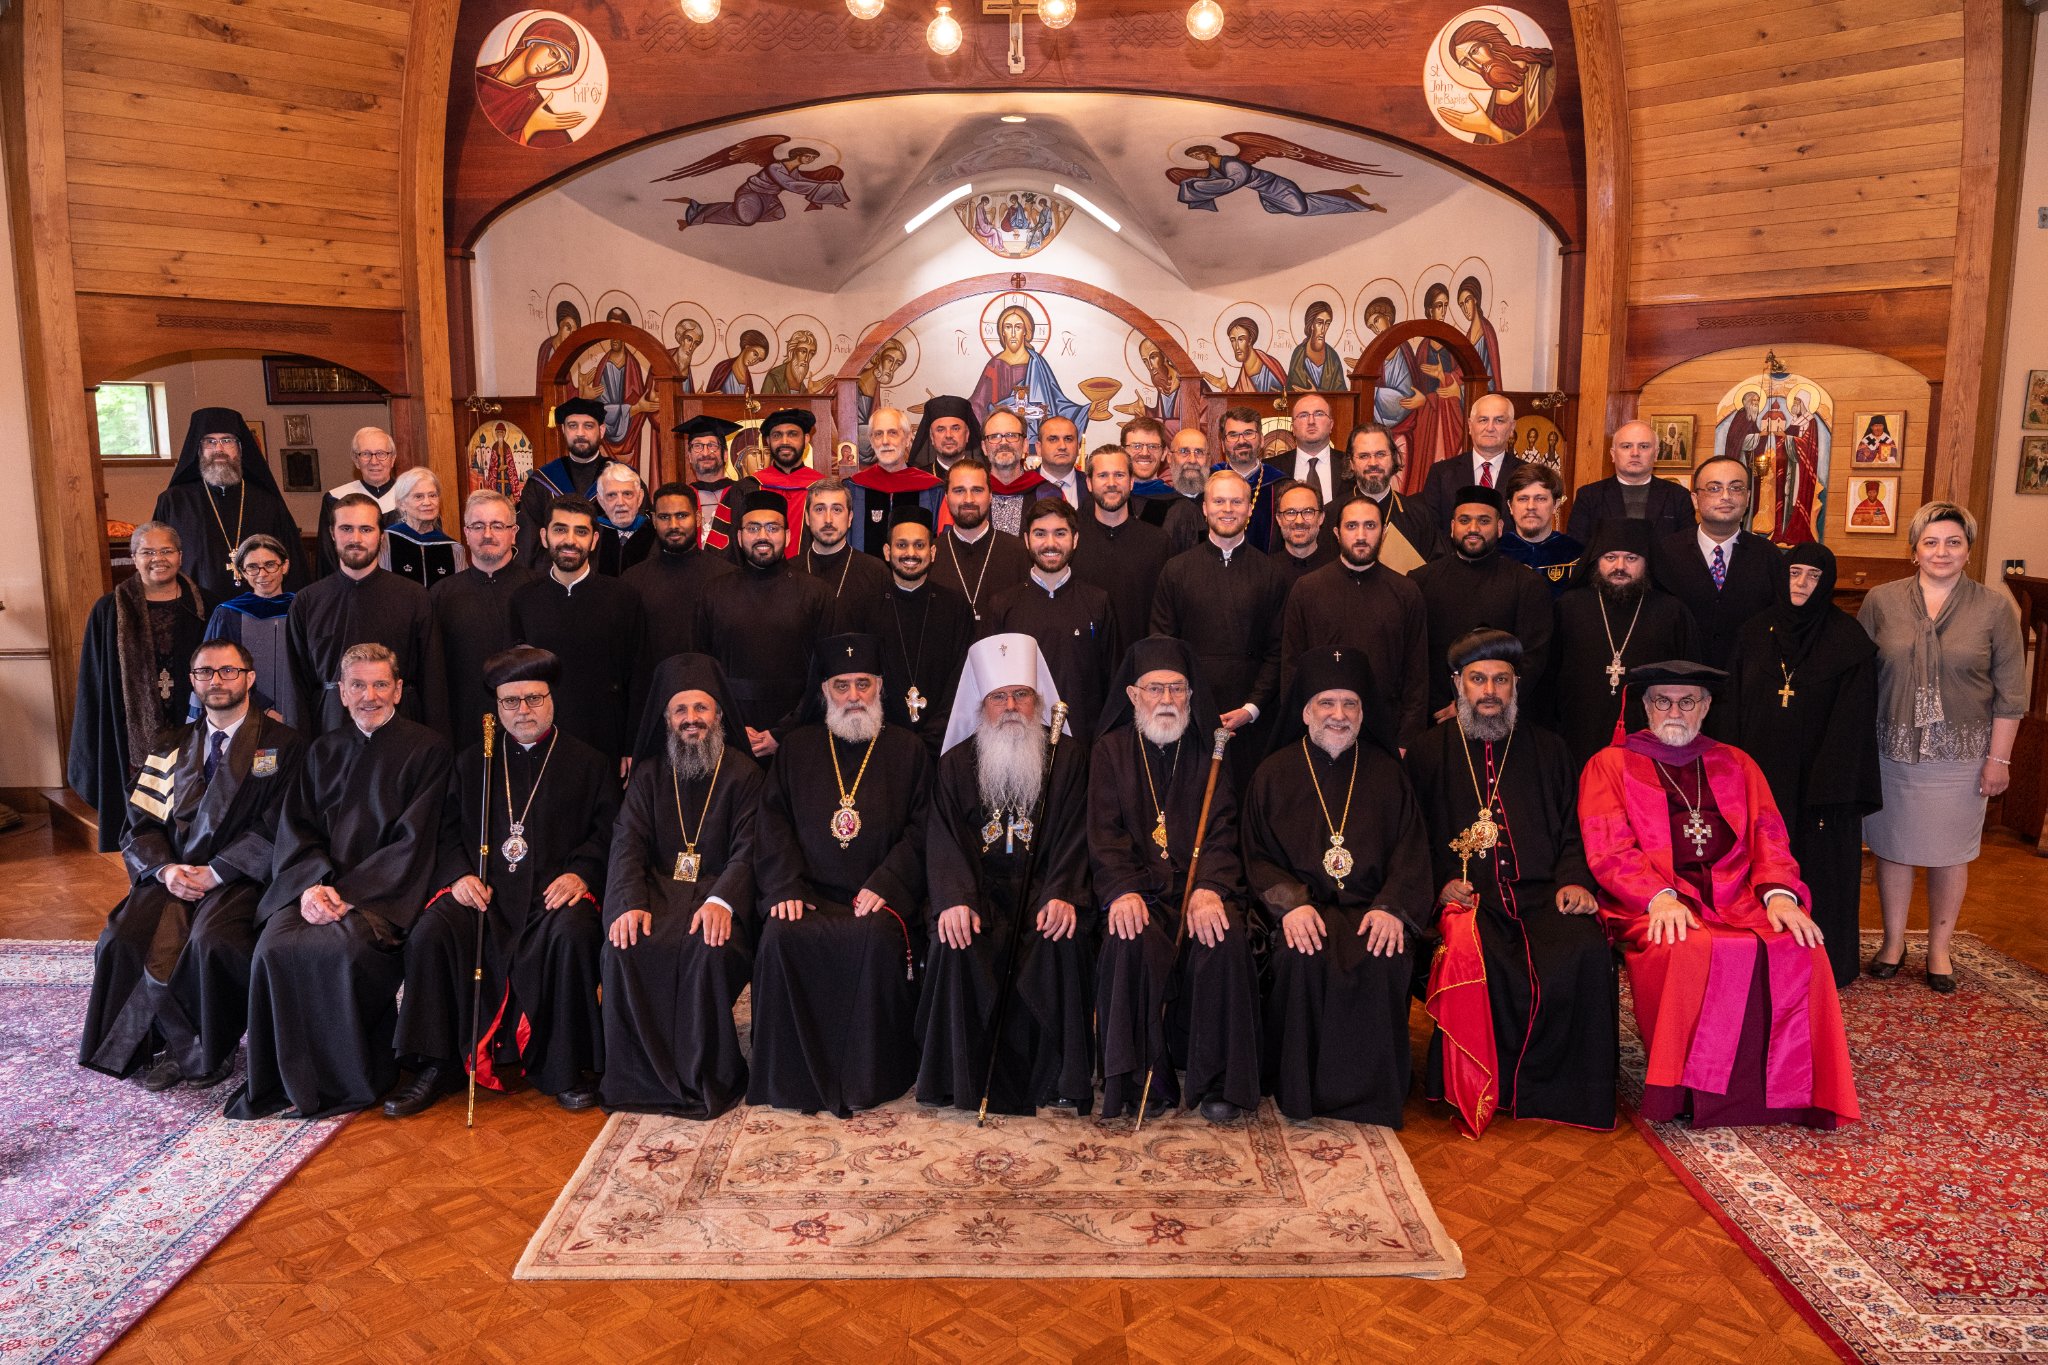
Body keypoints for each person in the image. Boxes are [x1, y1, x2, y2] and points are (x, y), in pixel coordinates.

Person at [1579, 660, 1859, 1128]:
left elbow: (1769, 835)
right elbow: (1608, 847)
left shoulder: (1735, 762)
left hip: (1738, 896)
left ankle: (1793, 1093)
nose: (1675, 711)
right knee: (1690, 947)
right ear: (1645, 707)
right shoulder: (1610, 764)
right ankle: (1691, 1093)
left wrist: (1780, 894)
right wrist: (1658, 896)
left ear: (1706, 707)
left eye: (1687, 701)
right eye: (1662, 701)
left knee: (1800, 945)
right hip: (1653, 901)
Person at [386, 646, 615, 1117]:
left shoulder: (588, 762)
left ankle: (567, 1067)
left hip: (552, 897)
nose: (523, 710)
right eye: (511, 701)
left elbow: (607, 833)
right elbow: (444, 831)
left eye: (533, 698)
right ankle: (436, 1063)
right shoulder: (474, 763)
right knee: (431, 931)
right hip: (483, 895)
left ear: (552, 699)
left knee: (572, 935)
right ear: (496, 707)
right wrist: (459, 875)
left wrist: (581, 873)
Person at [230, 644, 454, 1120]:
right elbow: (298, 828)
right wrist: (311, 886)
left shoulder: (428, 749)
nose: (369, 695)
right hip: (316, 888)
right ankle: (282, 1080)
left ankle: (353, 1079)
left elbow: (416, 840)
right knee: (273, 948)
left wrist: (349, 895)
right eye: (357, 685)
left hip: (380, 895)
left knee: (335, 951)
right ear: (342, 693)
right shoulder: (323, 750)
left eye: (379, 684)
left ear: (397, 689)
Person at [1407, 629, 1615, 1137]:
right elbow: (1409, 837)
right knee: (1474, 954)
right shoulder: (1429, 752)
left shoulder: (1548, 749)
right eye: (1478, 679)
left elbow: (1573, 827)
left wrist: (1574, 880)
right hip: (1470, 900)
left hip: (1541, 897)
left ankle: (1562, 1092)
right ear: (1458, 684)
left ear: (1516, 685)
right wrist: (1439, 885)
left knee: (1585, 949)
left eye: (1501, 679)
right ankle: (1476, 1088)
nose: (1490, 691)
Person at [79, 639, 304, 1089]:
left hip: (241, 879)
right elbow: (140, 822)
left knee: (211, 941)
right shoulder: (170, 744)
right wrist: (165, 871)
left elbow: (282, 822)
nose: (217, 681)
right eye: (206, 673)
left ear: (249, 677)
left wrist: (218, 870)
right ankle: (152, 1042)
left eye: (228, 671)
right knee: (122, 936)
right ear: (193, 681)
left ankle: (205, 1050)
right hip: (173, 875)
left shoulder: (285, 744)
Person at [1246, 646, 1433, 1125]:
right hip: (1304, 909)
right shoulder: (1273, 774)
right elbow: (1258, 856)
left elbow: (1412, 852)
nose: (1339, 715)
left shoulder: (1388, 773)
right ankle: (1299, 1091)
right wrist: (1290, 905)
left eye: (1350, 704)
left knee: (1383, 953)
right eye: (1327, 703)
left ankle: (1372, 1096)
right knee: (1300, 955)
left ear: (1363, 713)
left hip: (1371, 908)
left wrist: (1393, 907)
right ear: (1306, 711)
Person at [747, 634, 931, 1116]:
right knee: (780, 935)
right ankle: (789, 1078)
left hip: (876, 896)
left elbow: (923, 829)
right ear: (825, 690)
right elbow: (772, 823)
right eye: (842, 685)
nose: (853, 696)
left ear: (880, 688)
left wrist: (887, 885)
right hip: (808, 893)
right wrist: (785, 886)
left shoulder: (908, 751)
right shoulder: (797, 749)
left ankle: (871, 1077)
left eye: (863, 684)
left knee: (873, 937)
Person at [916, 634, 1092, 1115]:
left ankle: (1057, 1077)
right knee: (957, 937)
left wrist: (1062, 892)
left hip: (1044, 892)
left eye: (1021, 695)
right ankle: (962, 1076)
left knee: (1063, 934)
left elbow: (1078, 833)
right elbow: (944, 837)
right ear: (981, 702)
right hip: (979, 895)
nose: (1011, 706)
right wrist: (954, 898)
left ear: (1039, 701)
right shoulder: (955, 765)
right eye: (999, 697)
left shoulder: (1069, 760)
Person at [1089, 637, 1261, 1122]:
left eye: (1178, 689)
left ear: (1191, 694)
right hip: (1138, 890)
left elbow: (1224, 829)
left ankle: (1219, 1083)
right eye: (1155, 689)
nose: (1167, 700)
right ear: (1132, 695)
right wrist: (1122, 890)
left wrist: (1210, 888)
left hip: (1197, 888)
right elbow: (1103, 832)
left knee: (1222, 936)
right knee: (1129, 936)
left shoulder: (1212, 750)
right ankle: (1143, 1079)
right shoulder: (1109, 751)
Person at [1857, 503, 2024, 992]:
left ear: (1968, 550)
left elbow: (2011, 693)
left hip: (1963, 754)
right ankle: (1892, 943)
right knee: (1892, 848)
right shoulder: (1881, 602)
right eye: (1930, 542)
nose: (1941, 551)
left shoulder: (1995, 608)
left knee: (1951, 853)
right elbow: (1859, 679)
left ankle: (1939, 949)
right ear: (1913, 551)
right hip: (1891, 748)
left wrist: (1999, 759)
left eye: (1953, 542)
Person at [601, 654, 764, 1117]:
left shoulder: (745, 775)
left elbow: (750, 849)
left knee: (707, 949)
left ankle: (705, 1078)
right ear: (667, 719)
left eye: (701, 708)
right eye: (681, 710)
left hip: (717, 898)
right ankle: (639, 1081)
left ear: (719, 715)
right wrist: (629, 902)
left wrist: (723, 901)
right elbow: (627, 842)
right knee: (622, 946)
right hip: (655, 894)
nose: (692, 719)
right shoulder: (649, 775)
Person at [1719, 544, 1880, 988]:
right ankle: (1758, 956)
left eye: (1813, 575)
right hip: (1758, 776)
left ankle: (1824, 963)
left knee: (1819, 867)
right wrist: (1729, 770)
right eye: (1794, 573)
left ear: (1826, 582)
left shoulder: (1849, 642)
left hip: (1822, 786)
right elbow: (1731, 706)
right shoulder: (1753, 633)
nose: (1802, 583)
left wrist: (1828, 789)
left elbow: (1854, 723)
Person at [71, 523, 214, 851]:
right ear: (133, 558)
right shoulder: (108, 610)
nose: (157, 559)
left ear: (180, 557)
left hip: (192, 724)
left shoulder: (206, 605)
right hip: (130, 731)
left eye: (166, 551)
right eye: (147, 552)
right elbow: (94, 681)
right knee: (142, 828)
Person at [1150, 469, 1288, 785]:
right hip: (1190, 716)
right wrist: (1190, 703)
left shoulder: (1269, 574)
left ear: (1249, 509)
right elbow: (1163, 645)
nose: (1227, 509)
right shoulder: (1176, 571)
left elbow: (1279, 649)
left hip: (1252, 720)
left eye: (1236, 501)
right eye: (1220, 501)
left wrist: (1251, 708)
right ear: (1205, 508)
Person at [285, 492, 443, 736]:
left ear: (381, 536)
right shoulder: (307, 601)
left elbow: (433, 679)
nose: (355, 538)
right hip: (330, 730)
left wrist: (436, 743)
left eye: (366, 529)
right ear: (332, 533)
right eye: (346, 528)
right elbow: (296, 686)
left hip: (403, 731)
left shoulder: (414, 597)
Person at [1279, 494, 1430, 747]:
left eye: (1370, 526)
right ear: (1337, 533)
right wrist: (1298, 731)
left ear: (1383, 532)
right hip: (1321, 730)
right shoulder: (1307, 589)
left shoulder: (1406, 591)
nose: (1361, 535)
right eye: (1352, 526)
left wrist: (1407, 740)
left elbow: (1417, 675)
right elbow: (1292, 668)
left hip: (1386, 731)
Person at [1547, 519, 1701, 767]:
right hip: (1577, 734)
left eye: (1631, 558)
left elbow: (1690, 684)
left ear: (1646, 563)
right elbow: (1549, 675)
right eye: (1610, 557)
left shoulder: (1672, 613)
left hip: (1649, 739)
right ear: (1596, 561)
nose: (1620, 567)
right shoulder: (1568, 607)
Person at [694, 490, 835, 756]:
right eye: (753, 528)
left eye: (772, 528)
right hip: (729, 734)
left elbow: (826, 673)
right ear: (739, 536)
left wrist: (782, 733)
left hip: (799, 735)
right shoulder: (713, 592)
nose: (762, 536)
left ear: (789, 536)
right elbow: (704, 667)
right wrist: (731, 725)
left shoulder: (817, 593)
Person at [508, 496, 642, 767]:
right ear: (544, 536)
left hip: (606, 737)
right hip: (543, 736)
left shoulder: (623, 598)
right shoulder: (523, 600)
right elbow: (514, 681)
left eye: (580, 531)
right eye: (560, 529)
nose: (570, 540)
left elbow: (638, 675)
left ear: (594, 540)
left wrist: (631, 746)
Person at [839, 505, 975, 756]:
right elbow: (858, 681)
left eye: (919, 545)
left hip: (945, 745)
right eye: (901, 545)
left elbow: (964, 680)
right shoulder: (863, 608)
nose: (910, 553)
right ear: (887, 552)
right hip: (881, 745)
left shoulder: (956, 607)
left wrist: (935, 736)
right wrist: (893, 738)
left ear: (932, 552)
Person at [982, 497, 1122, 743]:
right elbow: (989, 687)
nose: (1050, 543)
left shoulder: (1099, 602)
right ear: (1026, 540)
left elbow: (1113, 682)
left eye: (1060, 533)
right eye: (1040, 534)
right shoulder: (1002, 606)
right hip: (1019, 743)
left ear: (1075, 539)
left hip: (1084, 744)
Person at [1410, 485, 1554, 720]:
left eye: (1484, 521)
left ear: (1499, 528)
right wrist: (1443, 708)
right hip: (1436, 716)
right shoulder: (1420, 581)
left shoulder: (1527, 583)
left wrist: (1476, 704)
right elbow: (1415, 657)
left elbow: (1533, 658)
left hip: (1502, 715)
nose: (1473, 529)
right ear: (1452, 526)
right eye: (1465, 520)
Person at [151, 407, 307, 598]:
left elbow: (292, 564)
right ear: (198, 450)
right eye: (210, 441)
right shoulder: (173, 502)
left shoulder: (267, 502)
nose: (219, 449)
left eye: (227, 440)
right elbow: (157, 560)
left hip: (258, 609)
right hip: (194, 611)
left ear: (240, 449)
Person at [1651, 455, 1782, 668]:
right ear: (1695, 499)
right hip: (1679, 684)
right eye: (1714, 488)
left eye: (1736, 488)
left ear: (1748, 498)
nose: (1725, 497)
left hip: (1746, 680)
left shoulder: (1768, 556)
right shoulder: (1665, 553)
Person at [623, 481, 735, 719]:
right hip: (651, 705)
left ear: (696, 517)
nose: (673, 525)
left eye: (681, 515)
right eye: (664, 517)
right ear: (653, 520)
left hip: (712, 706)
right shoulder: (633, 581)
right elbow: (629, 662)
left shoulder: (727, 576)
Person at [432, 491, 534, 752]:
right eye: (478, 526)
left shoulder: (539, 590)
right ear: (466, 532)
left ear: (514, 532)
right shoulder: (441, 594)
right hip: (463, 724)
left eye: (497, 525)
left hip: (526, 722)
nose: (487, 534)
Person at [1070, 445, 1171, 652]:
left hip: (1139, 659)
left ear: (1131, 481)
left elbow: (1166, 612)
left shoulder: (1157, 542)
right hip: (1083, 658)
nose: (1111, 484)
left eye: (1119, 475)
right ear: (1089, 483)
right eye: (1103, 475)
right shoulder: (1072, 541)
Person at [196, 534, 294, 721]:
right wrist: (263, 709)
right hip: (243, 714)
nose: (262, 574)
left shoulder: (302, 610)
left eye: (270, 565)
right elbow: (217, 670)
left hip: (298, 714)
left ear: (285, 566)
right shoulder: (228, 614)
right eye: (252, 567)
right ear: (242, 571)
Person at [929, 454, 1032, 624]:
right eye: (959, 490)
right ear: (946, 498)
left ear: (991, 495)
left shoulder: (1019, 552)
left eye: (977, 490)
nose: (968, 499)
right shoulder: (931, 553)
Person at [517, 397, 619, 567]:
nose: (580, 433)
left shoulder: (622, 480)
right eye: (573, 426)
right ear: (563, 430)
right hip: (553, 578)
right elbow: (528, 542)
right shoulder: (542, 481)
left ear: (601, 430)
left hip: (609, 576)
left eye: (588, 425)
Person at [1332, 422, 1446, 569]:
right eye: (1364, 456)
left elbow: (1435, 571)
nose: (1373, 463)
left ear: (1393, 458)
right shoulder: (1332, 513)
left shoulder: (1419, 515)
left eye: (1380, 454)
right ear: (1351, 463)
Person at [1418, 393, 1531, 534]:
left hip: (1510, 555)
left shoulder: (1528, 475)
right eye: (1483, 420)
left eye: (1499, 421)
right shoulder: (1441, 473)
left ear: (1512, 427)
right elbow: (1431, 530)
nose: (1490, 428)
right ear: (1470, 426)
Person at [1567, 420, 1695, 542]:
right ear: (1613, 454)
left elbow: (1686, 550)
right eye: (1627, 446)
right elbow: (1577, 550)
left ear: (1656, 454)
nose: (1635, 453)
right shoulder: (1589, 496)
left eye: (1644, 446)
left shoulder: (1678, 496)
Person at [846, 406, 943, 556]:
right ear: (871, 441)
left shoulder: (932, 489)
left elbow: (939, 541)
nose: (885, 441)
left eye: (893, 433)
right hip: (864, 577)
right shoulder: (853, 487)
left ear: (907, 437)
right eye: (878, 434)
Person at [796, 477, 890, 624]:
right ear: (807, 517)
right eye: (819, 509)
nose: (828, 520)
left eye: (837, 509)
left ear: (850, 518)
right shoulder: (789, 571)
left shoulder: (876, 572)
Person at [315, 427, 401, 580]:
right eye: (365, 454)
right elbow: (327, 556)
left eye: (381, 454)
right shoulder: (335, 499)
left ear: (393, 459)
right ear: (356, 460)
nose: (374, 461)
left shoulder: (413, 499)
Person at [729, 409, 823, 548]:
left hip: (812, 569)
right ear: (768, 441)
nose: (784, 441)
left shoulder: (824, 488)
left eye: (792, 434)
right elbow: (733, 544)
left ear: (806, 438)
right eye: (777, 435)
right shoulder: (747, 488)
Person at [1497, 463, 1581, 597]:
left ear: (1556, 505)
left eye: (1540, 499)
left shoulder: (1577, 556)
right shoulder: (1494, 553)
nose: (1531, 506)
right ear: (1510, 506)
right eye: (1523, 499)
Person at [1214, 406, 1289, 551]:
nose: (1242, 441)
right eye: (1233, 435)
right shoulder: (1209, 482)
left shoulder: (1281, 486)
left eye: (1248, 433)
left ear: (1261, 440)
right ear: (1223, 445)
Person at [379, 467, 467, 590]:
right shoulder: (385, 542)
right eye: (418, 496)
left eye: (432, 495)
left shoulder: (454, 549)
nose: (427, 502)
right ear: (401, 504)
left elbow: (459, 593)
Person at [675, 414, 742, 553]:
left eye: (712, 445)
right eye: (698, 446)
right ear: (689, 457)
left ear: (725, 454)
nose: (705, 453)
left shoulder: (742, 493)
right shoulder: (680, 498)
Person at [981, 408, 1049, 535]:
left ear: (1025, 445)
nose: (1003, 442)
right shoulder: (972, 494)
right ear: (984, 447)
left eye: (1011, 435)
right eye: (995, 436)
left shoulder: (1047, 493)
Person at [1148, 426, 1213, 553]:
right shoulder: (1155, 504)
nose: (1192, 460)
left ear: (1209, 460)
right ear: (1170, 458)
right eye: (1184, 451)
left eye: (1199, 452)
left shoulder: (1220, 505)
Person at [592, 463, 655, 576]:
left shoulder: (656, 533)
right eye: (611, 495)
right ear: (601, 501)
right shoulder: (591, 535)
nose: (620, 503)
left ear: (640, 497)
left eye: (627, 494)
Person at [1268, 478, 1336, 583]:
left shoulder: (1337, 569)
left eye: (1308, 512)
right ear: (1279, 519)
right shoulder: (1265, 571)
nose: (1299, 521)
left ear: (1321, 518)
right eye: (1290, 512)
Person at [1285, 393, 1340, 504]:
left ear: (1331, 425)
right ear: (1293, 428)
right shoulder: (1273, 468)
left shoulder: (1350, 465)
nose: (1311, 421)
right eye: (1303, 415)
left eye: (1319, 414)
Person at [907, 394, 981, 475]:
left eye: (955, 429)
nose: (948, 435)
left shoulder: (983, 477)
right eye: (940, 430)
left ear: (967, 435)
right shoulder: (917, 479)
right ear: (932, 437)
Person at [1034, 416, 1091, 512]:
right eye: (1053, 439)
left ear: (1078, 447)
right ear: (1039, 448)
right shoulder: (1023, 487)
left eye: (1068, 439)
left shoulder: (1091, 486)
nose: (1062, 446)